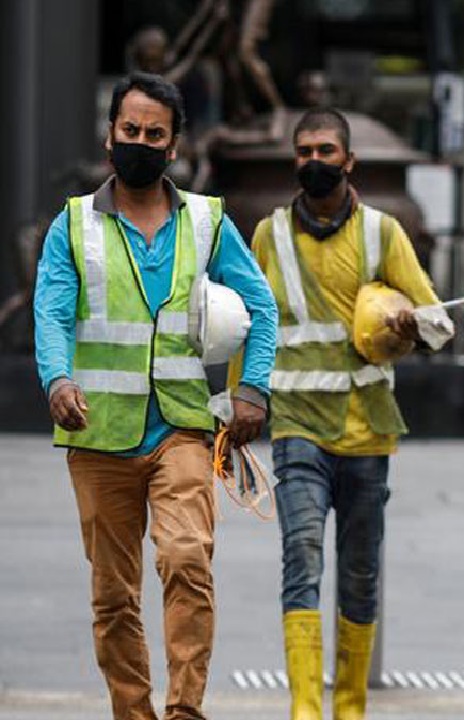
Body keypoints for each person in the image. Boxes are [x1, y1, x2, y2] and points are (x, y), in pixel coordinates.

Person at [33, 72, 277, 720]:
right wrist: (58, 379)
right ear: (110, 136)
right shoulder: (74, 225)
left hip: (181, 429)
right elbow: (51, 314)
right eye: (130, 131)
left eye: (154, 135)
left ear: (174, 147)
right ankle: (134, 712)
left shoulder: (207, 220)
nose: (140, 141)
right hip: (97, 432)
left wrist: (251, 388)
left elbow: (261, 306)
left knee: (186, 558)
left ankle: (186, 711)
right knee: (113, 598)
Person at [229, 106, 452, 720]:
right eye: (305, 152)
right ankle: (306, 709)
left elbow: (441, 322)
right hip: (298, 427)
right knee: (300, 555)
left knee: (358, 576)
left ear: (349, 161)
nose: (315, 161)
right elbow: (250, 326)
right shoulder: (269, 236)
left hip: (368, 434)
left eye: (327, 151)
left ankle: (349, 707)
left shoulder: (384, 234)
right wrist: (238, 406)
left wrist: (411, 322)